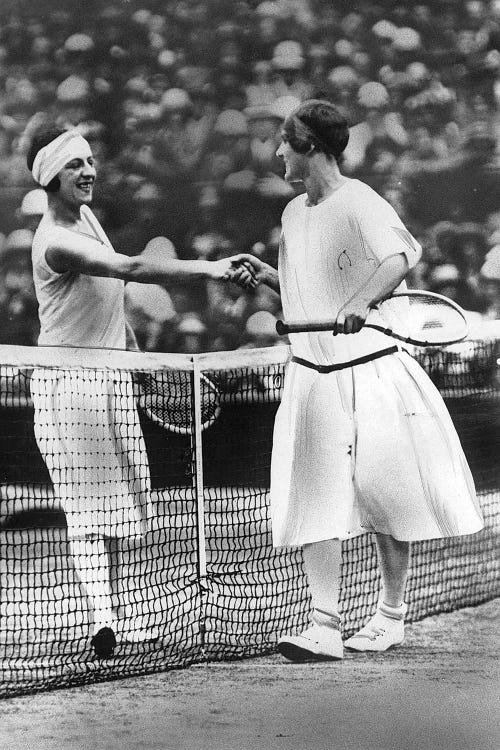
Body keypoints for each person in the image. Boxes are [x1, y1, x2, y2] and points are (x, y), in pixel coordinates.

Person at [233, 99, 484, 661]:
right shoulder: (294, 213)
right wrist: (270, 278)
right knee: (314, 498)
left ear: (313, 150)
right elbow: (307, 293)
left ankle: (390, 615)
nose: (276, 153)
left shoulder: (360, 199)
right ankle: (324, 623)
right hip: (313, 377)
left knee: (384, 497)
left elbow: (401, 255)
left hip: (370, 373)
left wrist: (361, 299)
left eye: (284, 142)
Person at [26, 125, 256, 659]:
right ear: (49, 180)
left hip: (111, 375)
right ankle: (103, 621)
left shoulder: (85, 216)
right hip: (68, 386)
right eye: (73, 166)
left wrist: (135, 354)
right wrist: (210, 268)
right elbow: (129, 266)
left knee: (117, 508)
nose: (88, 172)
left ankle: (114, 616)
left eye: (88, 161)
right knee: (86, 510)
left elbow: (115, 291)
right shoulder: (55, 240)